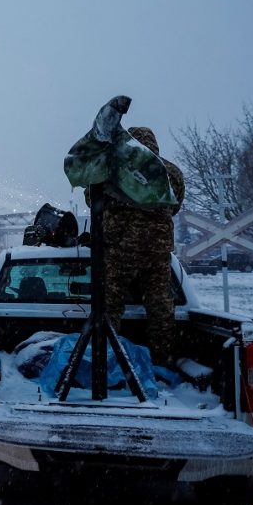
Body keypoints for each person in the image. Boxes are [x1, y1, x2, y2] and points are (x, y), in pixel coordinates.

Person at [97, 126, 185, 366]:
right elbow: (175, 206)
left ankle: (106, 361)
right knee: (160, 309)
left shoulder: (112, 168)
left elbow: (94, 199)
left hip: (118, 251)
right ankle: (161, 361)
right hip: (157, 254)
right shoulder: (172, 173)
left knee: (110, 307)